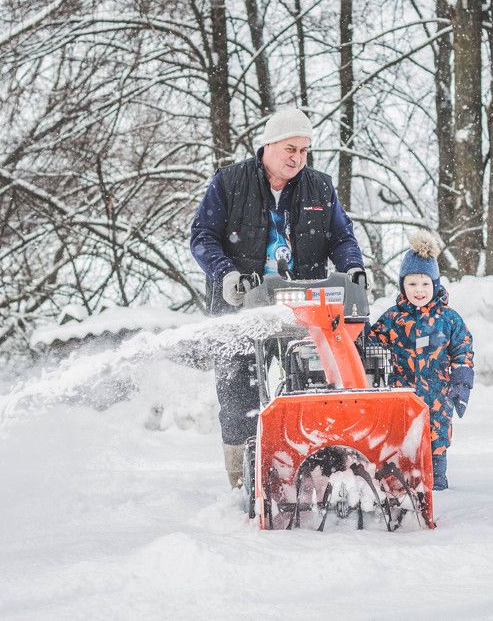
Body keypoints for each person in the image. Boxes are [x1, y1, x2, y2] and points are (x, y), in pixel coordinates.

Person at [190, 108, 367, 487]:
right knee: (239, 395)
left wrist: (352, 266)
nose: (298, 158)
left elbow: (341, 237)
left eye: (304, 150)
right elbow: (202, 236)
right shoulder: (229, 182)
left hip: (302, 309)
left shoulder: (319, 188)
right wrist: (227, 274)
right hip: (241, 309)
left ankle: (311, 470)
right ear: (268, 144)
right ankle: (243, 479)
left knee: (310, 386)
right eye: (291, 148)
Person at [367, 232, 474, 491]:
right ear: (402, 285)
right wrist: (359, 328)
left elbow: (463, 352)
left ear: (435, 284)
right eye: (412, 283)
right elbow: (371, 345)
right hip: (402, 396)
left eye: (425, 283)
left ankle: (437, 484)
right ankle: (402, 485)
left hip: (438, 396)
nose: (419, 290)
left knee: (436, 441)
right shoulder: (392, 318)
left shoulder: (449, 319)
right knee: (402, 440)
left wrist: (460, 385)